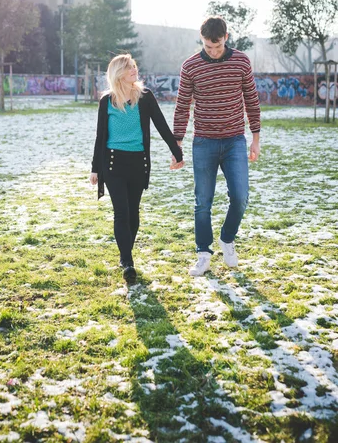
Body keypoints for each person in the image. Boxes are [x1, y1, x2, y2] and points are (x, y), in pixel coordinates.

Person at [172, 16, 261, 276]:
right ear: (202, 40)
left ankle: (227, 239)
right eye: (207, 47)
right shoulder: (190, 66)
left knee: (241, 197)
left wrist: (255, 138)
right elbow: (182, 106)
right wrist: (177, 144)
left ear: (226, 38)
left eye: (217, 46)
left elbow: (251, 100)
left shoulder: (241, 61)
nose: (212, 51)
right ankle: (203, 253)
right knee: (203, 202)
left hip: (234, 141)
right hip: (203, 143)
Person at [90, 54, 184, 284]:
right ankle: (128, 261)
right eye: (129, 67)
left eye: (134, 66)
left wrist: (177, 151)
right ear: (118, 72)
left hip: (138, 163)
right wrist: (95, 168)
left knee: (133, 214)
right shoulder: (107, 101)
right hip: (112, 163)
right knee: (121, 212)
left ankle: (125, 255)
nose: (134, 69)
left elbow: (161, 125)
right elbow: (100, 136)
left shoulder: (145, 97)